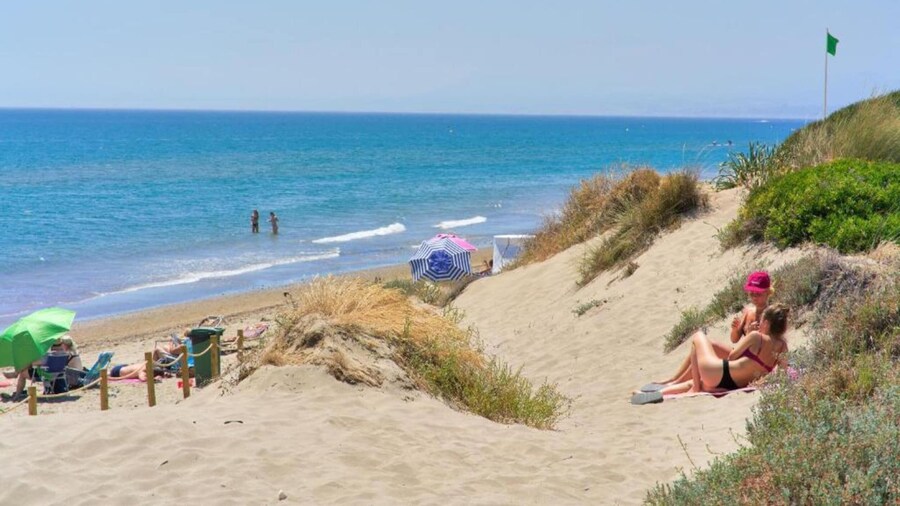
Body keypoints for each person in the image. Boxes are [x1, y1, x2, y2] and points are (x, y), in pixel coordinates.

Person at [633, 303, 790, 404]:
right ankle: (659, 393)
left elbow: (732, 356)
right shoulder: (783, 347)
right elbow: (782, 373)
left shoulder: (756, 337)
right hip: (736, 384)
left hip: (720, 374)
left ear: (767, 323)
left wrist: (748, 334)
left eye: (762, 320)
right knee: (710, 351)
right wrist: (760, 380)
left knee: (698, 337)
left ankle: (695, 388)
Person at [644, 271, 773, 390]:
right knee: (706, 345)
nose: (754, 297)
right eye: (751, 293)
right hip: (739, 353)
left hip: (748, 362)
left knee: (701, 347)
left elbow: (765, 347)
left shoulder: (770, 316)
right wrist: (735, 329)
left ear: (768, 292)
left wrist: (751, 334)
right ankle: (674, 379)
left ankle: (681, 382)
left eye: (758, 293)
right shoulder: (748, 311)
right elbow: (734, 339)